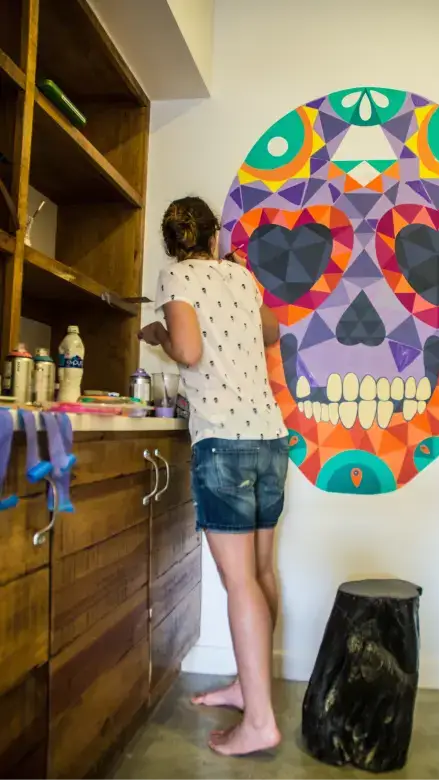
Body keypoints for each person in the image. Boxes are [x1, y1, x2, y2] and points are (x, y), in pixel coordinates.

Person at [138, 196, 289, 756]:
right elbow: (272, 333)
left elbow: (189, 349)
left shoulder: (175, 276)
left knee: (239, 582)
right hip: (270, 439)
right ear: (214, 235)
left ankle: (259, 724)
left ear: (171, 240)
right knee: (262, 573)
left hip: (224, 440)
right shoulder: (240, 277)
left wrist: (158, 333)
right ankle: (250, 691)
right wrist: (237, 296)